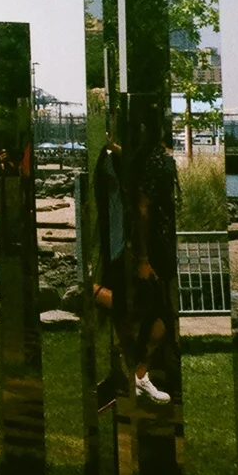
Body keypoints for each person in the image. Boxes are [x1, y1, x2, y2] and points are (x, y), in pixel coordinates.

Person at [91, 127, 176, 405]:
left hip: (130, 249)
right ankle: (136, 373)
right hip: (125, 249)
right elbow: (136, 206)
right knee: (137, 310)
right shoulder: (118, 163)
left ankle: (137, 374)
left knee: (151, 315)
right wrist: (142, 258)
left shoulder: (131, 161)